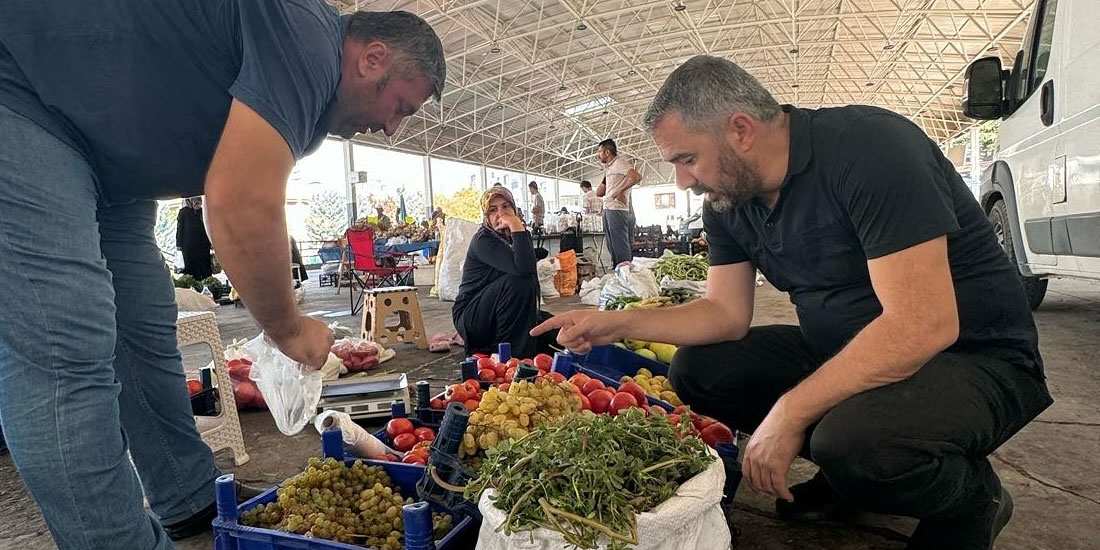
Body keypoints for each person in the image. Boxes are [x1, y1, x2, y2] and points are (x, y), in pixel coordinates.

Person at [533, 55, 1051, 550]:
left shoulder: (868, 149)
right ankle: (851, 482)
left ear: (740, 129)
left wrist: (790, 411)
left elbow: (923, 324)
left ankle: (971, 500)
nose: (683, 182)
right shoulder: (730, 200)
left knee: (858, 443)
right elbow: (725, 314)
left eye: (687, 159)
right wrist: (616, 322)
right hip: (848, 350)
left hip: (972, 359)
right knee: (699, 370)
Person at [0, 3, 445, 548]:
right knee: (65, 347)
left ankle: (188, 496)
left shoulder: (308, 76)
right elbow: (238, 203)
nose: (393, 128)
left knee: (144, 324)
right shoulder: (307, 43)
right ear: (371, 58)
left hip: (105, 163)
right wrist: (288, 328)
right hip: (21, 94)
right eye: (400, 105)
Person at [452, 187, 545, 358]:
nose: (501, 214)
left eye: (506, 207)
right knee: (520, 282)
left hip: (497, 310)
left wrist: (518, 230)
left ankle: (510, 347)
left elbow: (529, 267)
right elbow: (524, 270)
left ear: (514, 209)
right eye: (493, 210)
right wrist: (517, 225)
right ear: (486, 216)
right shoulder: (483, 240)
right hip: (473, 317)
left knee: (551, 327)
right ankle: (513, 361)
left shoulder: (514, 236)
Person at [595, 138, 641, 266]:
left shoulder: (619, 163)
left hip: (617, 209)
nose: (598, 155)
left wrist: (618, 191)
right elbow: (599, 192)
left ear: (608, 152)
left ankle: (625, 273)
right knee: (612, 245)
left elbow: (636, 177)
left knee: (620, 245)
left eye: (600, 151)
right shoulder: (610, 168)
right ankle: (618, 271)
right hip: (609, 208)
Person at [176, 197, 213, 280]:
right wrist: (179, 245)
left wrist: (211, 241)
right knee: (191, 268)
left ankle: (207, 284)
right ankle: (193, 286)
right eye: (196, 202)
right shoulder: (184, 212)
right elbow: (180, 229)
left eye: (199, 202)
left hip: (203, 245)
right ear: (190, 201)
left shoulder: (202, 212)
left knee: (205, 267)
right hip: (189, 247)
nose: (198, 205)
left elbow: (208, 227)